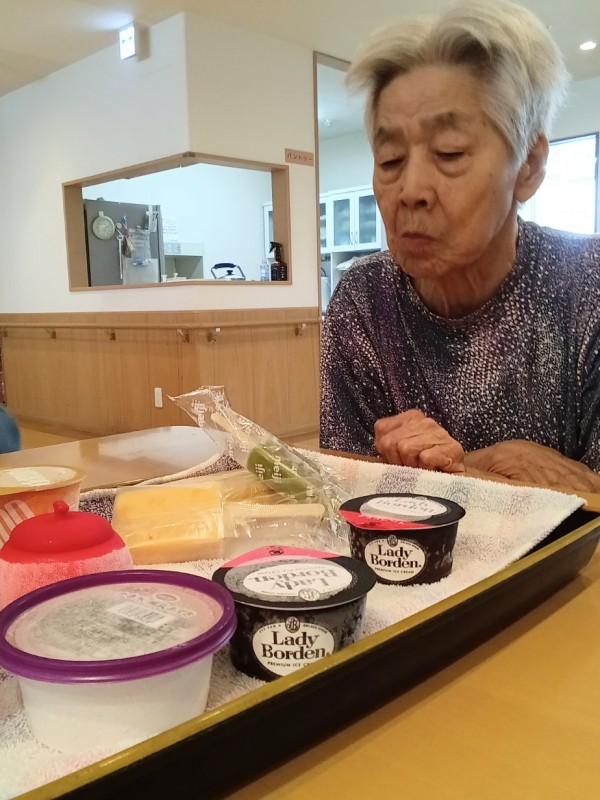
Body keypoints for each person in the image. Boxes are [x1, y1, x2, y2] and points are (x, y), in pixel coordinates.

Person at [319, 0, 600, 493]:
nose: (410, 190)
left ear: (528, 166)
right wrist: (480, 469)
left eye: (449, 153)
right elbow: (341, 490)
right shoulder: (364, 299)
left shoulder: (588, 284)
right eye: (390, 159)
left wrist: (433, 474)